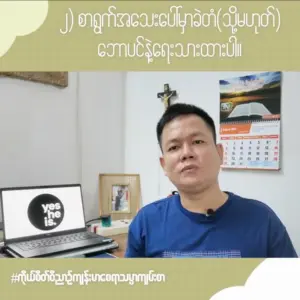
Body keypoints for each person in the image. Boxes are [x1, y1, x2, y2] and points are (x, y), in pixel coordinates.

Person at [125, 103, 298, 258]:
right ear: (164, 165)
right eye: (174, 147)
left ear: (220, 153)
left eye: (198, 141)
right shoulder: (146, 222)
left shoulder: (262, 219)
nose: (186, 153)